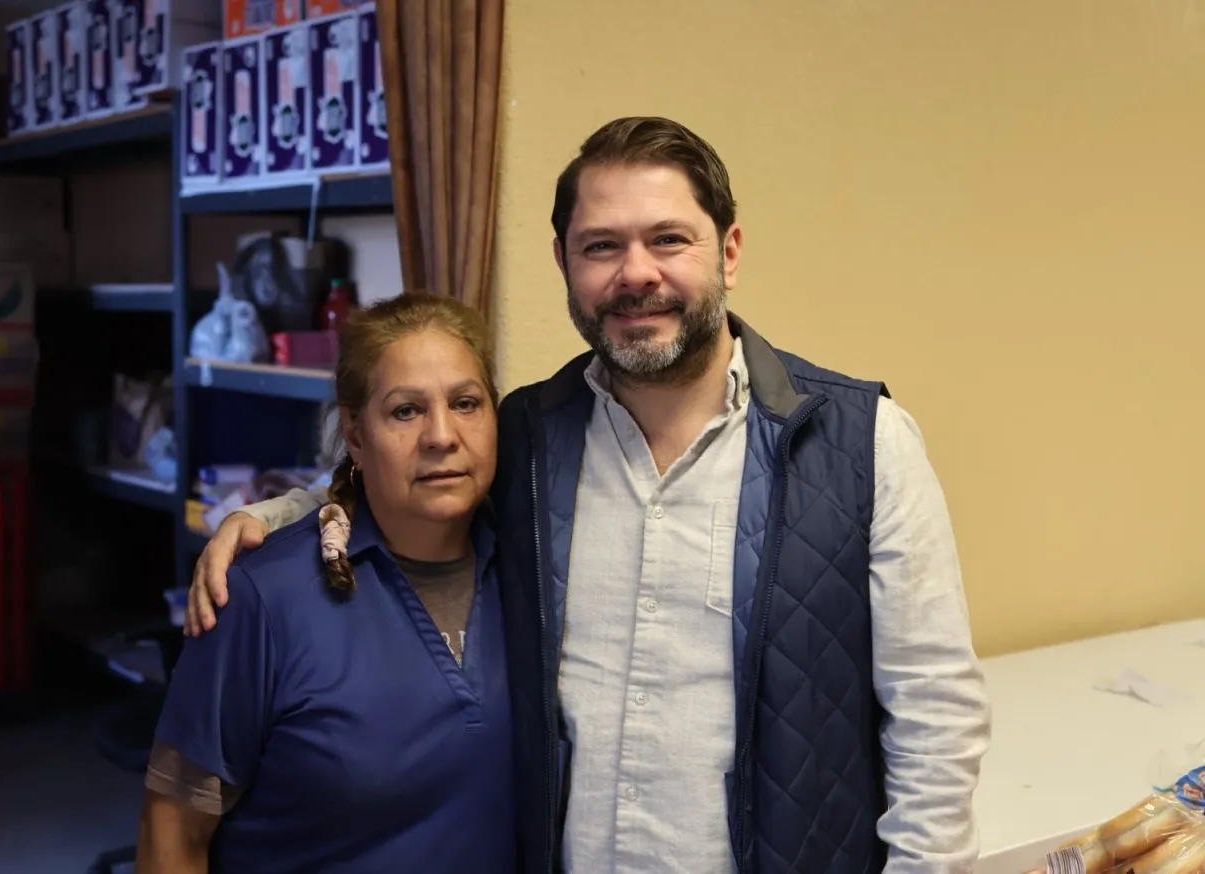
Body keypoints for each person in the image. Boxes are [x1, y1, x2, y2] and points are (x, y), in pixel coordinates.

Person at [186, 117, 993, 873]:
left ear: (729, 252)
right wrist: (270, 517)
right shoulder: (528, 438)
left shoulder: (864, 443)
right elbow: (412, 471)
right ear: (565, 264)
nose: (635, 273)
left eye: (668, 240)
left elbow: (934, 719)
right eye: (601, 245)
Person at [136, 292, 515, 873]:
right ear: (355, 434)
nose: (442, 435)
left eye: (466, 403)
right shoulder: (261, 600)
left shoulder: (531, 571)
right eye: (405, 411)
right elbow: (173, 837)